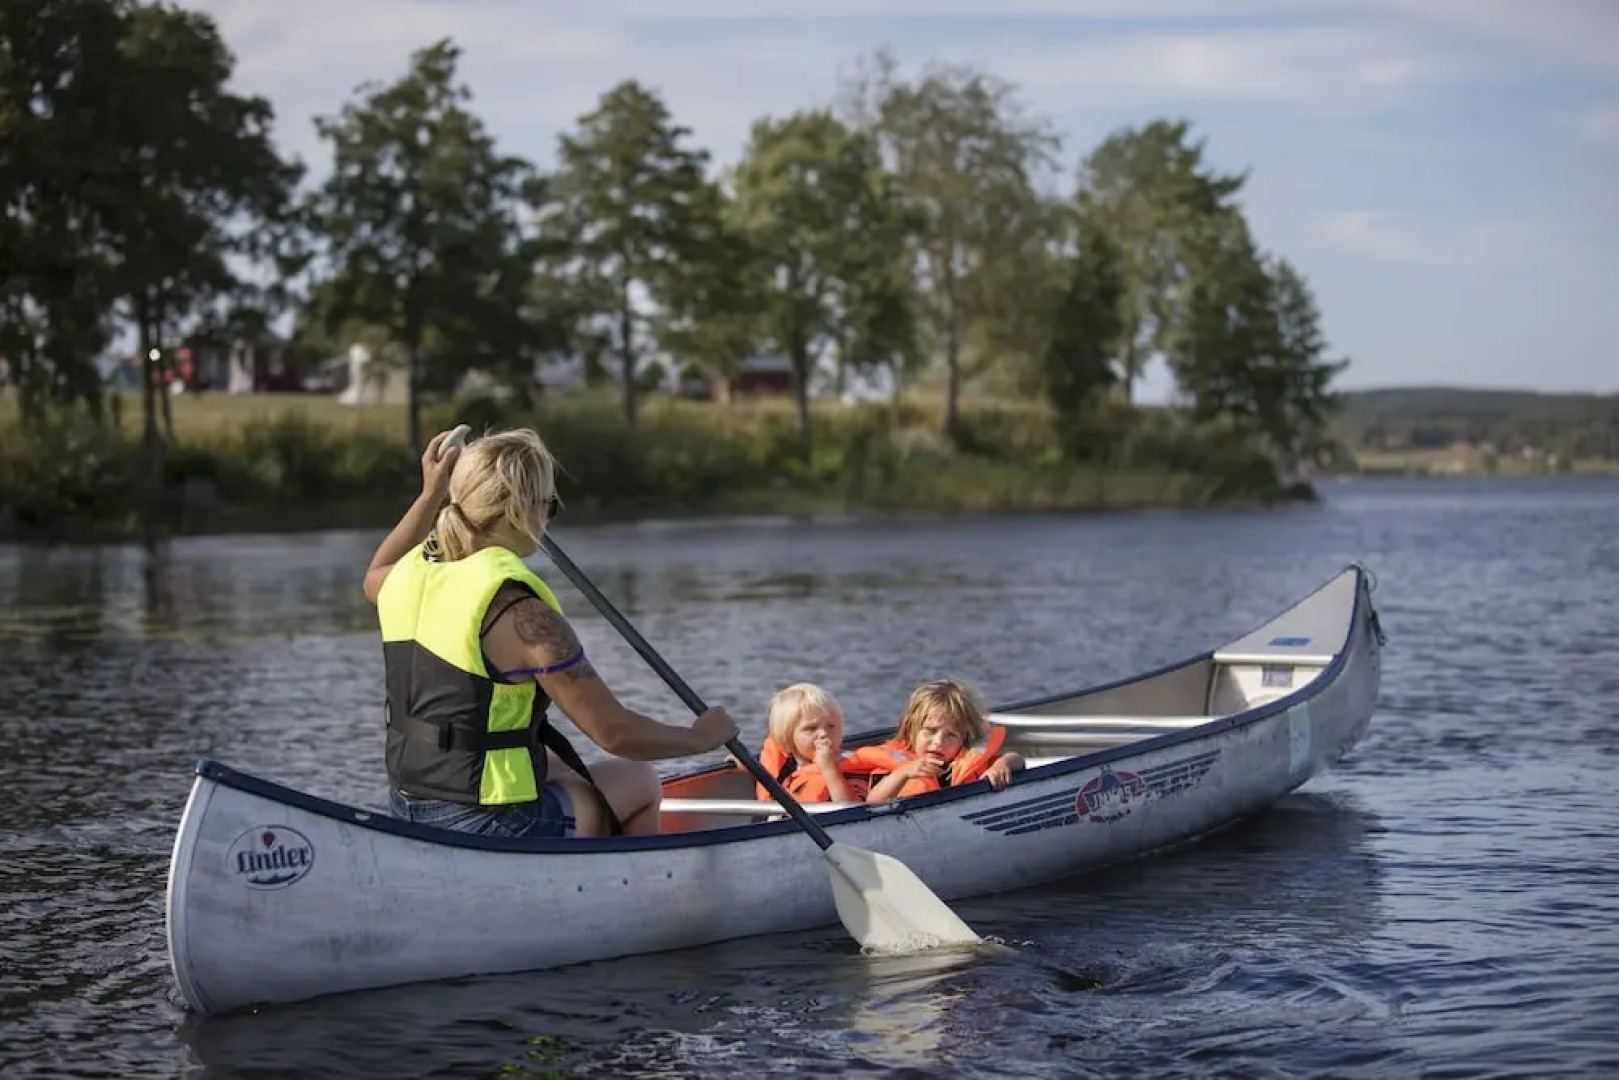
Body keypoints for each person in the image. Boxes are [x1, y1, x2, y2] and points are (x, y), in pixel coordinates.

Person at [362, 426, 737, 839]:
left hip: (407, 803)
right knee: (639, 781)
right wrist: (698, 738)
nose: (548, 519)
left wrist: (429, 494)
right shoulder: (522, 613)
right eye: (549, 505)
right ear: (522, 509)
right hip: (487, 823)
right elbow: (615, 733)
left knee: (552, 760)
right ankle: (629, 894)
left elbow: (375, 573)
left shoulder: (405, 579)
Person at [858, 678, 1024, 802]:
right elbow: (873, 802)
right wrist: (902, 773)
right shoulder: (896, 768)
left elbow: (1017, 759)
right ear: (911, 730)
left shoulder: (964, 759)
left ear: (964, 738)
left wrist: (1002, 765)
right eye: (930, 731)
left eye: (951, 735)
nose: (938, 742)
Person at [754, 683, 875, 803]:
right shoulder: (785, 769)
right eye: (811, 728)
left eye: (831, 726)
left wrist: (830, 770)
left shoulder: (850, 767)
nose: (823, 733)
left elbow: (852, 811)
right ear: (788, 737)